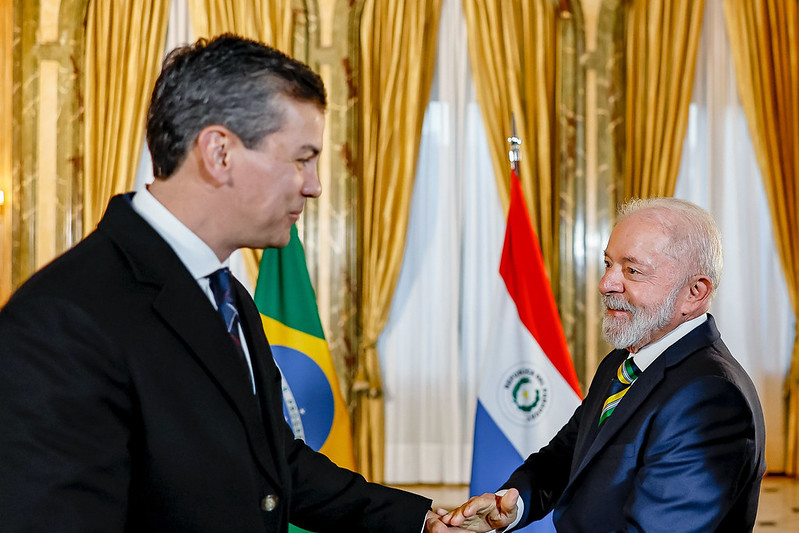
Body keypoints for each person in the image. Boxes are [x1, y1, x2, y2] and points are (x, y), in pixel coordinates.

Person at [0, 34, 449, 533]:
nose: (314, 185)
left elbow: (274, 465)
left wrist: (425, 522)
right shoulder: (62, 319)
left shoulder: (229, 297)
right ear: (219, 153)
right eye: (301, 158)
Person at [442, 198, 766, 532]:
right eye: (608, 263)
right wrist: (510, 505)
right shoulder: (622, 361)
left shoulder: (712, 397)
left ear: (695, 292)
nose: (605, 283)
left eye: (632, 270)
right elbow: (569, 456)